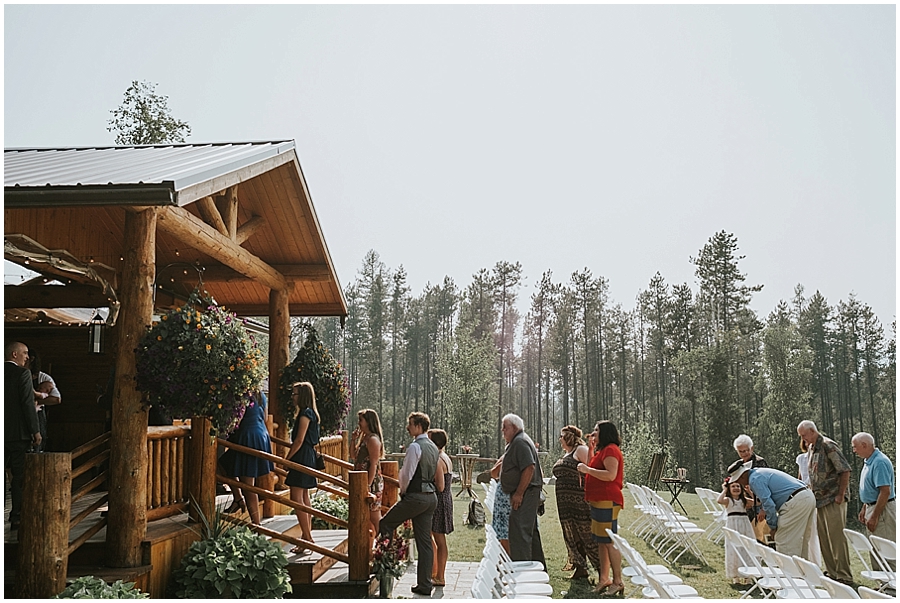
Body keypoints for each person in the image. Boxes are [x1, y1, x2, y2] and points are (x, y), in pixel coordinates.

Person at [380, 412, 439, 597]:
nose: (408, 427)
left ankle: (385, 568)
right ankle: (425, 585)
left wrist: (403, 491)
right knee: (425, 542)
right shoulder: (433, 446)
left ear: (419, 426)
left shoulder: (415, 447)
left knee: (385, 523)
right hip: (431, 497)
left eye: (410, 424)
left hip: (416, 496)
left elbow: (407, 474)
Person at [798, 420, 853, 584]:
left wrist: (841, 494)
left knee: (836, 537)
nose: (802, 439)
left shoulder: (828, 445)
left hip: (833, 497)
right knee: (824, 537)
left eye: (803, 435)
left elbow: (844, 470)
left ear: (812, 431)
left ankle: (844, 575)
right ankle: (832, 572)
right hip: (819, 500)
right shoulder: (810, 448)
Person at [728, 461, 816, 560]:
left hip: (795, 501)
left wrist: (773, 527)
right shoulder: (759, 472)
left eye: (738, 481)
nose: (740, 484)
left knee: (784, 540)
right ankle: (804, 572)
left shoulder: (754, 480)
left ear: (742, 477)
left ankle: (789, 574)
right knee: (801, 539)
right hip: (807, 496)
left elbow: (769, 505)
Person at [578, 420, 625, 595]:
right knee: (601, 541)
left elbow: (611, 475)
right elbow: (592, 466)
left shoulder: (611, 449)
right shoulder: (601, 450)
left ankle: (618, 581)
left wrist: (587, 470)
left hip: (608, 500)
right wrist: (591, 450)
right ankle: (604, 578)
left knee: (609, 541)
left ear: (606, 433)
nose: (593, 433)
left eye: (597, 430)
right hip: (599, 500)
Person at [552, 424, 600, 579]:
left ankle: (602, 569)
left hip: (579, 501)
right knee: (572, 533)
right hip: (566, 504)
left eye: (561, 436)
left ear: (568, 437)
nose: (559, 439)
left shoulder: (580, 449)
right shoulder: (567, 454)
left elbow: (592, 468)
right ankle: (581, 567)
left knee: (585, 532)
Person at [219, 390, 273, 524]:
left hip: (248, 437)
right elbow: (265, 418)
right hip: (261, 435)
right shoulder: (261, 395)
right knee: (224, 463)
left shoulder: (242, 394)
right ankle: (238, 498)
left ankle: (257, 524)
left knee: (248, 484)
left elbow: (237, 419)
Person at [500, 413, 546, 570]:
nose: (502, 431)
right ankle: (538, 569)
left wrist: (519, 493)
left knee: (520, 533)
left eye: (505, 427)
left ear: (514, 427)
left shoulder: (520, 442)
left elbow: (529, 467)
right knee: (529, 533)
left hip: (526, 494)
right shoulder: (519, 440)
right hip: (527, 493)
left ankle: (522, 572)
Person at [5, 341, 41, 531]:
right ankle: (16, 516)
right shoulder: (22, 374)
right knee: (19, 477)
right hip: (18, 434)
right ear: (14, 355)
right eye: (25, 353)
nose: (28, 357)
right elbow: (28, 404)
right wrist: (35, 430)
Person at [284, 382, 320, 554]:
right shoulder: (311, 413)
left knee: (297, 497)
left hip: (303, 456)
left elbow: (299, 440)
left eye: (295, 394)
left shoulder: (305, 414)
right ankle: (306, 536)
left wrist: (287, 460)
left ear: (303, 396)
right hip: (307, 456)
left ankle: (307, 537)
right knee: (304, 497)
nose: (292, 397)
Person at [851, 432, 895, 570]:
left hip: (882, 510)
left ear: (864, 445)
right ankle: (883, 584)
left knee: (887, 549)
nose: (854, 450)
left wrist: (874, 516)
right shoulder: (869, 461)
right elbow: (871, 489)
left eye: (855, 447)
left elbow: (884, 491)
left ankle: (893, 588)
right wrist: (865, 508)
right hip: (873, 507)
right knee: (876, 549)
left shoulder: (879, 462)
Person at [350, 408, 385, 544]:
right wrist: (353, 440)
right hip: (362, 481)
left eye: (361, 420)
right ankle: (372, 544)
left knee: (374, 515)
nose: (359, 423)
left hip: (372, 482)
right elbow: (353, 456)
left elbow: (374, 464)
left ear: (368, 422)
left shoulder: (373, 440)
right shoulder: (364, 438)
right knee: (366, 515)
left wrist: (368, 486)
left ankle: (384, 545)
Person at [428, 428, 454, 587]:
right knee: (435, 537)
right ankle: (435, 572)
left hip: (439, 502)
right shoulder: (445, 456)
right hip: (445, 500)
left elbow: (440, 486)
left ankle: (440, 575)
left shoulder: (438, 459)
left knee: (439, 539)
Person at [717, 479, 756, 584]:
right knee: (734, 549)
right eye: (733, 486)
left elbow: (757, 502)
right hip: (733, 524)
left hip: (744, 524)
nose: (736, 488)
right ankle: (735, 576)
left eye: (738, 486)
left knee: (747, 547)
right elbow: (719, 500)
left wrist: (749, 492)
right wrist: (724, 490)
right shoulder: (728, 500)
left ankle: (748, 576)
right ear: (730, 488)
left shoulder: (744, 501)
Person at [796, 437, 824, 568]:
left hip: (815, 494)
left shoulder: (820, 457)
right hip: (804, 494)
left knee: (814, 530)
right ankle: (804, 559)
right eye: (806, 442)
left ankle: (815, 562)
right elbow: (800, 478)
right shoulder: (801, 458)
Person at [29, 352, 61, 452]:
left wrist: (36, 400)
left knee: (38, 442)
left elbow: (56, 399)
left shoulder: (44, 378)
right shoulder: (16, 376)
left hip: (38, 414)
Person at [489, 455, 512, 555]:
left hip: (507, 496)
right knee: (504, 532)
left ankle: (506, 558)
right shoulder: (506, 456)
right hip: (503, 496)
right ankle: (504, 558)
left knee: (506, 531)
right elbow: (494, 473)